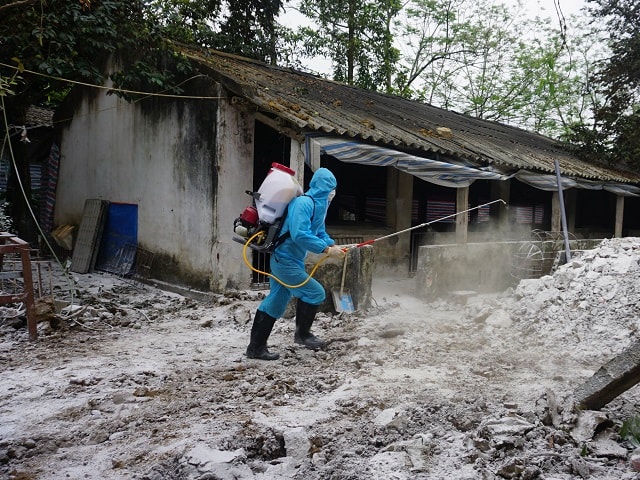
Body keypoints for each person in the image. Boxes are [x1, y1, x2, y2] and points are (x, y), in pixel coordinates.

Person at [246, 167, 345, 361]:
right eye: (330, 188)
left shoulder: (320, 205)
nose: (332, 193)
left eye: (333, 189)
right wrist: (325, 250)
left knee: (277, 302)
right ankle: (303, 335)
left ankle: (255, 348)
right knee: (315, 292)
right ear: (321, 187)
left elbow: (319, 232)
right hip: (283, 259)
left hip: (294, 260)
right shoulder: (303, 203)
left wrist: (332, 244)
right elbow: (300, 234)